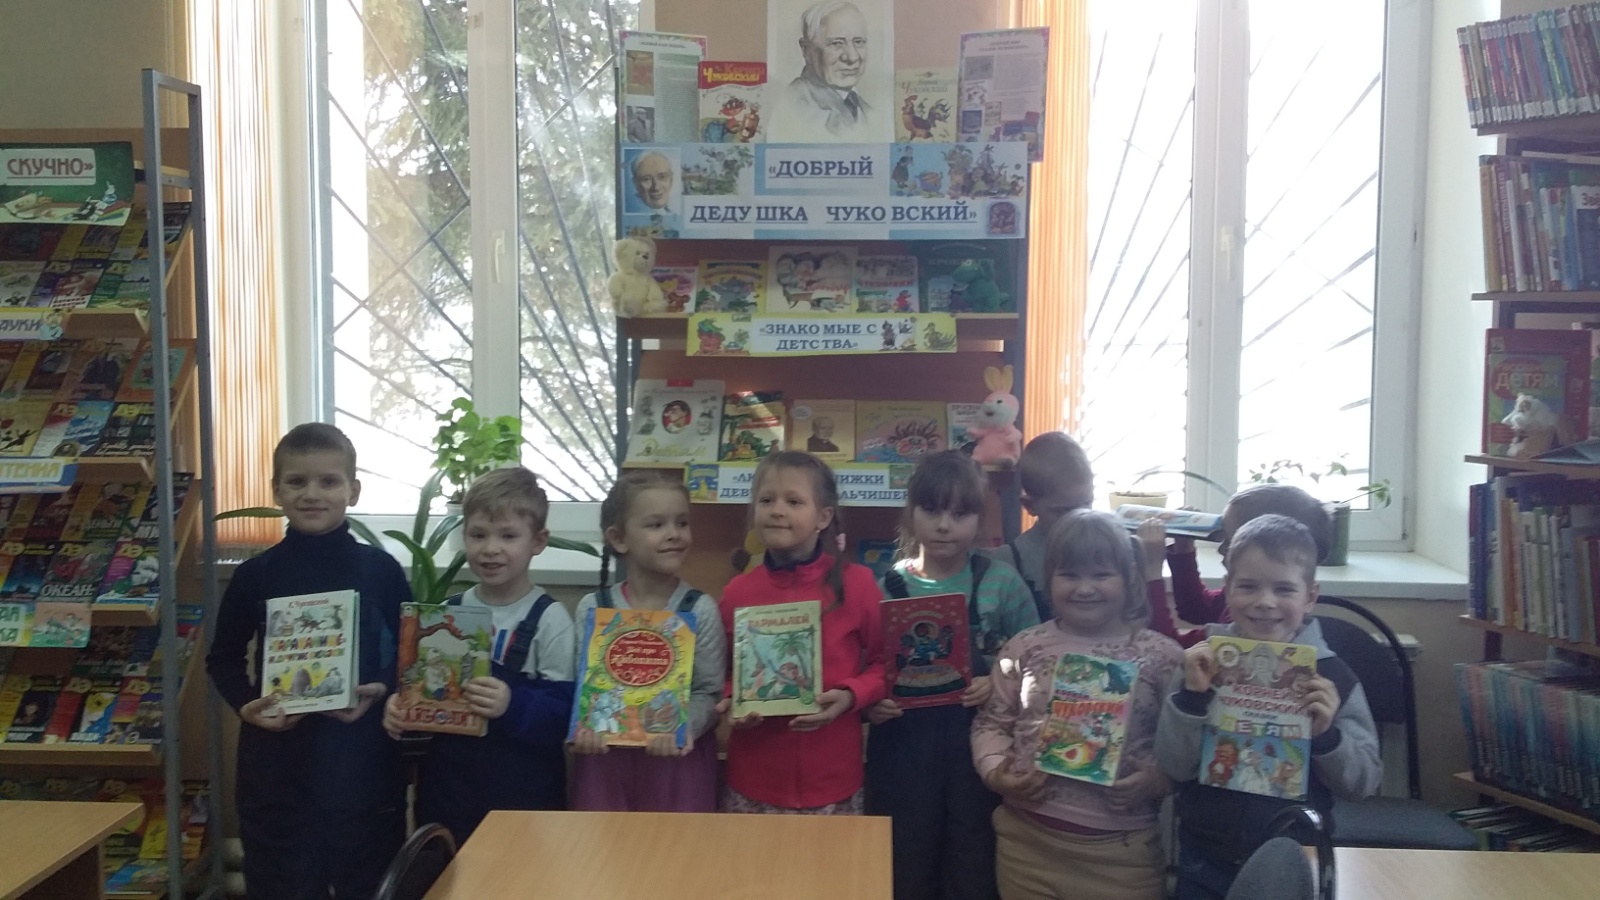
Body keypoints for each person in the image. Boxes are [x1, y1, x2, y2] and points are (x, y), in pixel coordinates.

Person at [205, 423, 407, 900]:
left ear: (353, 491)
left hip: (361, 761)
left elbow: (409, 653)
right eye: (297, 482)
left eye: (328, 481)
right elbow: (223, 658)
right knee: (282, 885)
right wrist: (248, 706)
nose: (312, 494)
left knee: (369, 883)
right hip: (278, 767)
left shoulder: (380, 570)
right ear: (276, 491)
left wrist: (381, 688)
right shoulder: (256, 575)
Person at [1154, 515, 1382, 900]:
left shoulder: (1332, 678)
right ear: (1227, 589)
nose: (1265, 602)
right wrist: (1192, 699)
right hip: (1204, 854)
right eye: (1248, 586)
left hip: (1291, 859)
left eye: (1284, 588)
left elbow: (1363, 783)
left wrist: (1327, 737)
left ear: (1310, 596)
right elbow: (1173, 766)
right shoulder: (1202, 664)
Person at [972, 509, 1183, 900]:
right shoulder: (1025, 646)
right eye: (1069, 575)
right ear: (1049, 578)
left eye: (1101, 575)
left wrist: (1156, 781)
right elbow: (992, 723)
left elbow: (1185, 747)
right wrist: (996, 773)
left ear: (1130, 579)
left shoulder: (1162, 656)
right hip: (1026, 845)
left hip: (1123, 856)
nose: (1085, 588)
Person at [864, 451, 1039, 900]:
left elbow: (1035, 662)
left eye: (960, 513)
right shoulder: (886, 587)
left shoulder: (1002, 582)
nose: (944, 525)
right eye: (932, 510)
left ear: (979, 519)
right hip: (903, 749)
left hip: (975, 748)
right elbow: (866, 667)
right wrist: (872, 704)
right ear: (911, 514)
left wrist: (997, 680)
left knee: (971, 859)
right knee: (905, 858)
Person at [383, 466, 576, 844]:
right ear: (463, 537)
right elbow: (422, 693)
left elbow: (564, 715)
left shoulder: (551, 619)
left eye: (508, 535)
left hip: (525, 802)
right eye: (478, 534)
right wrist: (401, 709)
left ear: (538, 541)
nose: (491, 548)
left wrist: (512, 704)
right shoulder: (444, 615)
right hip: (448, 795)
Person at [719, 450, 887, 814]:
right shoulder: (737, 592)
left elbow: (885, 663)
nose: (777, 511)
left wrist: (851, 696)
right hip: (754, 778)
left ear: (823, 517)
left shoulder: (858, 584)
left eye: (794, 502)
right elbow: (726, 671)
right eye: (766, 500)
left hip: (834, 780)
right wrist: (734, 699)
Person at [568, 472, 726, 811]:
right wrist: (583, 729)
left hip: (676, 768)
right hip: (605, 767)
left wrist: (682, 727)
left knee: (676, 844)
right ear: (619, 538)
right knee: (600, 843)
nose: (674, 534)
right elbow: (581, 691)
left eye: (682, 523)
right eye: (656, 525)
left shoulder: (698, 608)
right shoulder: (594, 609)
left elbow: (709, 693)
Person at [1136, 483, 1333, 646]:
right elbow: (1195, 608)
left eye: (1229, 541)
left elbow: (1166, 651)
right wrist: (1183, 548)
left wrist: (1152, 571)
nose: (1222, 550)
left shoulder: (1247, 628)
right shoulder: (1248, 594)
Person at [983, 431, 1094, 620]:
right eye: (1062, 511)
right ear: (1030, 506)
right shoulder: (1008, 562)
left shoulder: (1107, 551)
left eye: (1086, 504)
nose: (1077, 518)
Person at [781, 1, 874, 139]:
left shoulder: (867, 109)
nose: (852, 57)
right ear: (806, 50)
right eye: (837, 43)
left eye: (858, 42)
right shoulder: (793, 104)